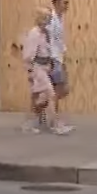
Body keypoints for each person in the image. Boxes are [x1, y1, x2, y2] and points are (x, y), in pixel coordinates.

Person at [22, 7, 68, 135]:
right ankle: (56, 124)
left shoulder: (45, 33)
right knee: (51, 94)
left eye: (50, 16)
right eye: (47, 16)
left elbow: (48, 50)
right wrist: (30, 71)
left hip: (45, 67)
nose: (49, 19)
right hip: (37, 68)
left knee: (40, 99)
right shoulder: (34, 33)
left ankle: (28, 122)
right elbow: (28, 55)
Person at [44, 0, 75, 133]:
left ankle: (50, 117)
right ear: (56, 3)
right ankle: (54, 121)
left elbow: (59, 41)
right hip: (53, 59)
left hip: (59, 58)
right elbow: (47, 40)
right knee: (57, 90)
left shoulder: (60, 19)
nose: (67, 5)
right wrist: (49, 60)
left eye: (68, 3)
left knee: (62, 90)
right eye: (65, 3)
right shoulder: (51, 19)